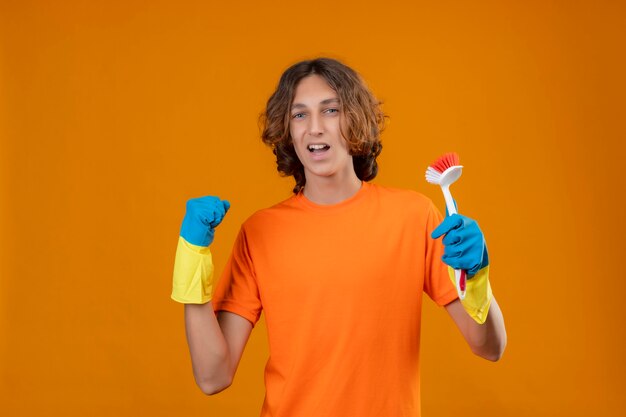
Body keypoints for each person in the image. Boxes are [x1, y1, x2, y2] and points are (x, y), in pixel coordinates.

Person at [171, 57, 507, 417]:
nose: (314, 128)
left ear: (355, 120)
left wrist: (476, 277)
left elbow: (489, 347)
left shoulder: (414, 217)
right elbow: (212, 376)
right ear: (287, 131)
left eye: (330, 110)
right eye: (299, 115)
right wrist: (192, 256)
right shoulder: (260, 232)